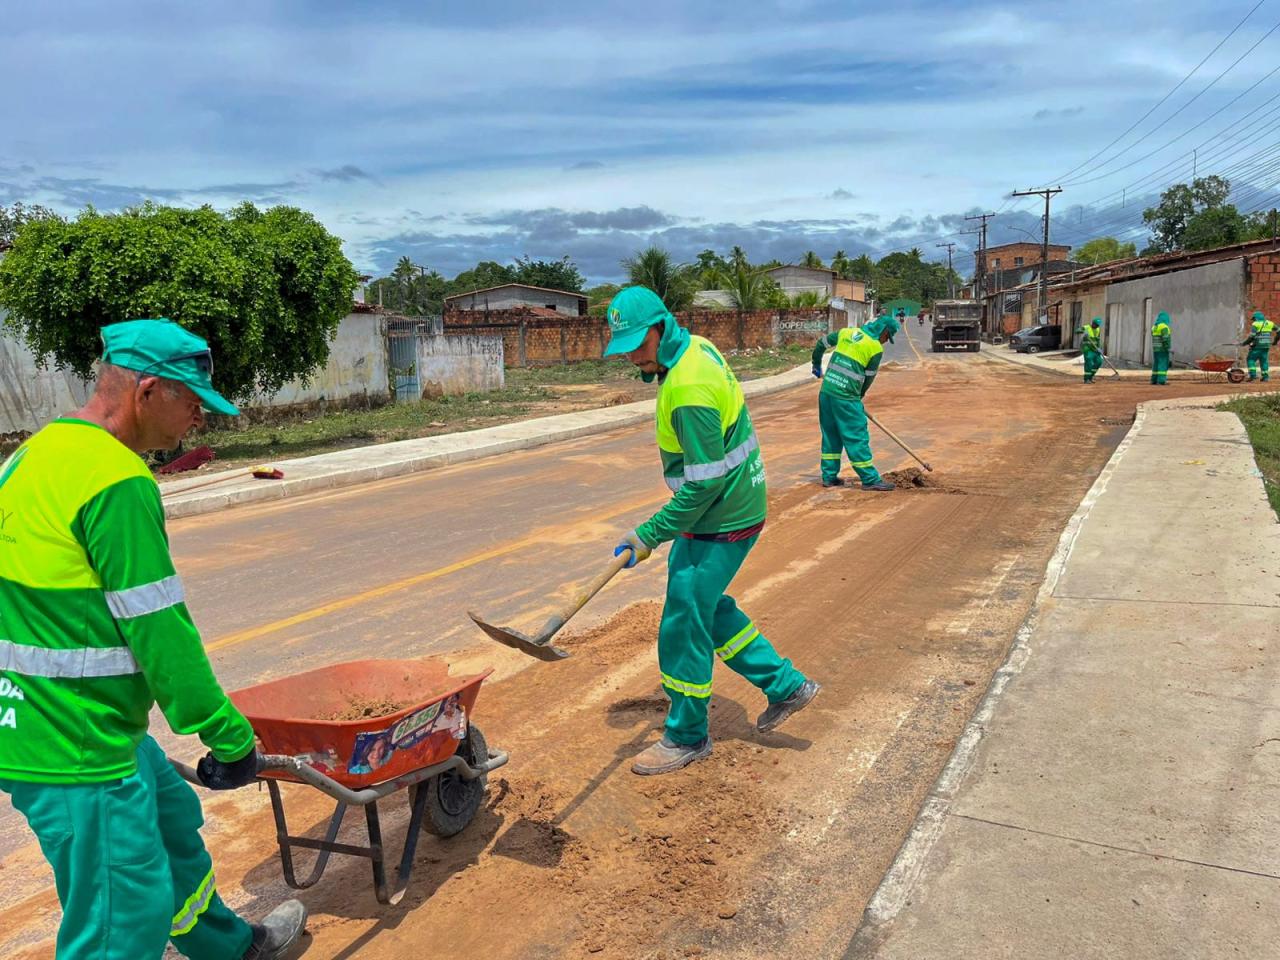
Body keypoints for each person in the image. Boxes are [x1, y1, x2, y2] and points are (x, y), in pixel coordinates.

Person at [0, 319, 306, 960]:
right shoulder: (115, 480)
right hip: (77, 746)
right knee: (118, 921)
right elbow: (159, 629)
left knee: (171, 827)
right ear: (146, 390)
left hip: (57, 723)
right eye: (192, 401)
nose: (198, 417)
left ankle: (229, 948)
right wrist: (226, 733)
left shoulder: (35, 455)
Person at [603, 287, 819, 776]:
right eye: (627, 347)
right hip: (724, 508)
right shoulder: (694, 348)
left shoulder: (687, 390)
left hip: (721, 515)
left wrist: (649, 534)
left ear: (662, 326)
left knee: (683, 621)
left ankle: (686, 736)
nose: (634, 355)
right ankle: (785, 686)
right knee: (707, 606)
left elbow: (704, 483)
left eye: (640, 343)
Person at [811, 314, 900, 490]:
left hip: (827, 393)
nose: (885, 341)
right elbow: (868, 379)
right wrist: (859, 397)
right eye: (887, 337)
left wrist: (816, 364)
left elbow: (821, 344)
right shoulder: (874, 348)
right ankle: (870, 479)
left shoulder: (846, 332)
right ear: (883, 331)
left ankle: (829, 477)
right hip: (846, 398)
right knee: (856, 436)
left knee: (831, 435)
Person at [1244, 309, 1274, 382]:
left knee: (1250, 359)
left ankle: (1253, 375)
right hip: (1266, 346)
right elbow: (1278, 330)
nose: (1253, 320)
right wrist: (1275, 340)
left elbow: (1252, 336)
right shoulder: (1270, 323)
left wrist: (1244, 343)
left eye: (1254, 319)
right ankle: (1265, 377)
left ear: (1256, 318)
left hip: (1257, 346)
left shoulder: (1256, 324)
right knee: (1264, 361)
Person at [1078, 316, 1103, 383]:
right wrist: (1082, 331)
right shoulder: (1086, 327)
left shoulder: (1098, 330)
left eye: (1098, 325)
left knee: (1099, 361)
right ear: (1093, 323)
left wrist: (1099, 348)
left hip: (1095, 349)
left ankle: (1091, 377)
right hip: (1087, 348)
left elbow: (1098, 340)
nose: (1097, 326)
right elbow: (1077, 330)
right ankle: (1086, 379)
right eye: (1096, 325)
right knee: (1089, 361)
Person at [1150, 310, 1172, 385]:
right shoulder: (1164, 327)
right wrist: (1167, 347)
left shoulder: (1154, 327)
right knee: (1162, 364)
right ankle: (1162, 380)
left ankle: (1154, 380)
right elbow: (1165, 338)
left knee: (1156, 364)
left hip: (1155, 349)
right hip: (1162, 349)